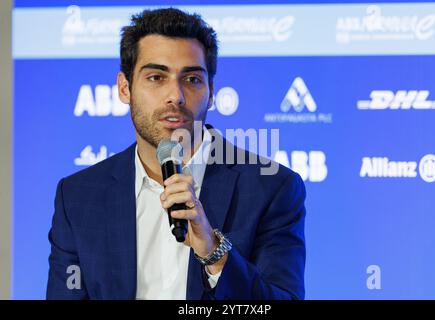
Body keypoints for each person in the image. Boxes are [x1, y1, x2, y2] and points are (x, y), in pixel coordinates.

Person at [46, 7, 306, 300]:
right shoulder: (79, 196)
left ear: (211, 91)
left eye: (192, 79)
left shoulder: (271, 187)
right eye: (156, 77)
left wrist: (213, 251)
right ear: (124, 88)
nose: (176, 96)